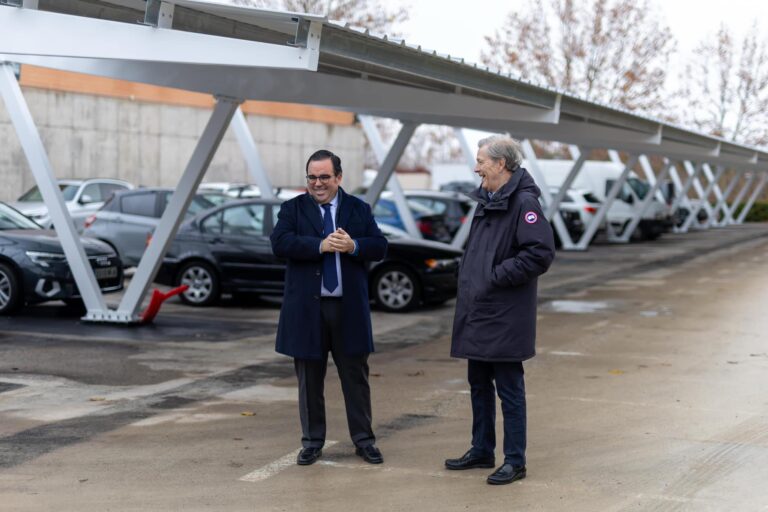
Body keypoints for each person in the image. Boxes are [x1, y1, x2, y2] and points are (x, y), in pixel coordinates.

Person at [445, 135, 555, 485]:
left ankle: (515, 460)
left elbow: (539, 253)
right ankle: (481, 449)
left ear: (501, 164)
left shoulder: (524, 203)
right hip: (479, 311)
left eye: (481, 161)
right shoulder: (488, 200)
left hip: (505, 314)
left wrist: (495, 276)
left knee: (509, 389)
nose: (476, 167)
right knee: (478, 384)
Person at [270, 149, 388, 466]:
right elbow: (279, 243)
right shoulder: (292, 209)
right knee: (309, 380)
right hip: (307, 311)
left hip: (347, 310)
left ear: (338, 177)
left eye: (324, 177)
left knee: (356, 379)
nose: (318, 183)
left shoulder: (358, 209)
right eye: (312, 177)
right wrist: (318, 246)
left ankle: (364, 441)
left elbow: (380, 246)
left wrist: (354, 246)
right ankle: (311, 442)